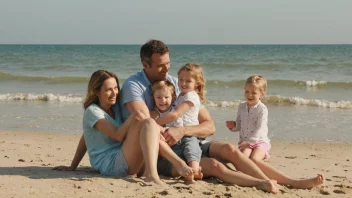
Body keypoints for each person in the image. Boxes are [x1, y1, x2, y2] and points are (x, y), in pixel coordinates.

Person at [120, 39, 323, 190]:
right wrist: (175, 131)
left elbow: (209, 125)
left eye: (168, 63)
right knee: (215, 165)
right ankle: (261, 183)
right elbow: (147, 126)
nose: (167, 69)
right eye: (160, 65)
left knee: (228, 148)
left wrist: (182, 130)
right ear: (145, 64)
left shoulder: (175, 83)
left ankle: (290, 182)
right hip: (164, 154)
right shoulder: (133, 86)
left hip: (189, 141)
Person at [53, 70, 194, 185]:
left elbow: (86, 136)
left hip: (125, 156)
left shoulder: (115, 108)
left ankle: (178, 166)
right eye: (108, 90)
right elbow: (118, 136)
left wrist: (73, 165)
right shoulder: (93, 111)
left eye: (115, 88)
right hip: (110, 164)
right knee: (147, 122)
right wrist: (134, 116)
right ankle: (156, 172)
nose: (115, 93)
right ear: (96, 91)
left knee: (148, 123)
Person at [150, 75, 203, 183]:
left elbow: (177, 115)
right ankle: (187, 171)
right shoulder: (155, 113)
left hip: (184, 137)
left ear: (173, 97)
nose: (162, 100)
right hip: (171, 142)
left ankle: (195, 169)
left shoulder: (176, 107)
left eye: (166, 97)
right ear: (153, 98)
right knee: (161, 143)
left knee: (191, 145)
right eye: (158, 97)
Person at [226, 75, 271, 161]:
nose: (249, 95)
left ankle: (263, 153)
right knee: (243, 158)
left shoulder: (262, 109)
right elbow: (239, 126)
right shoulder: (241, 107)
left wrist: (250, 142)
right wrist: (233, 126)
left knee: (254, 158)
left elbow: (260, 128)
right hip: (245, 141)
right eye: (247, 91)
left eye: (254, 93)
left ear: (261, 94)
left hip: (260, 141)